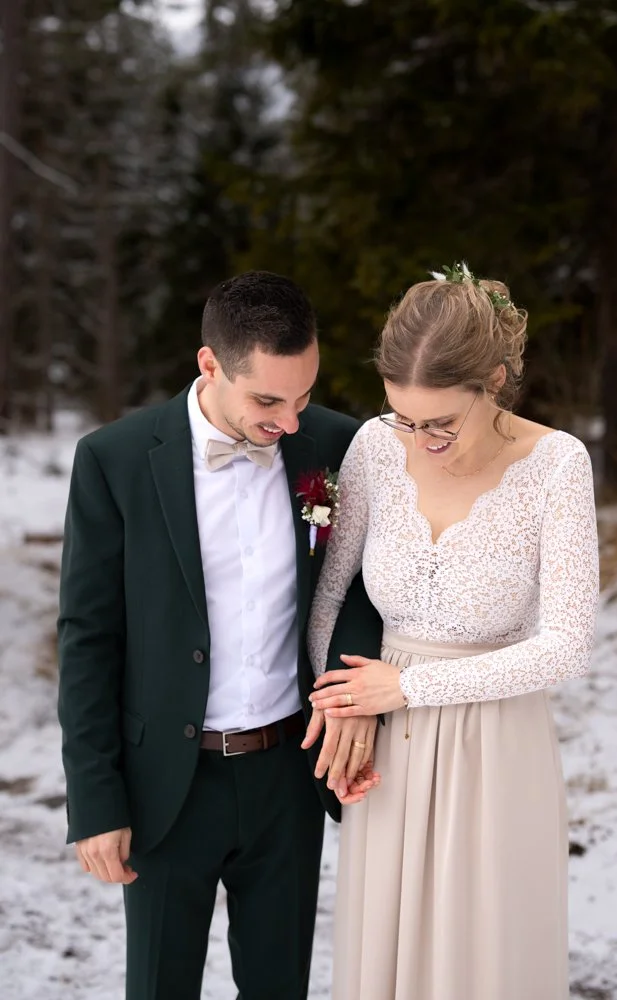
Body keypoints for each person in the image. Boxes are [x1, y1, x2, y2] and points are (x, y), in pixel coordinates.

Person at [57, 270, 382, 1000]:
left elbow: (357, 585)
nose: (289, 422)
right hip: (167, 785)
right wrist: (96, 799)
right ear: (209, 365)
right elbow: (87, 638)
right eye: (267, 400)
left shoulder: (332, 447)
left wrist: (346, 701)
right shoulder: (113, 459)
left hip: (287, 778)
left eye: (302, 396)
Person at [307, 263, 599, 1000]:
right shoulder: (374, 447)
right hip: (385, 751)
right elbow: (328, 593)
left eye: (439, 420)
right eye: (404, 416)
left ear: (495, 380)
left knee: (483, 955)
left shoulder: (557, 465)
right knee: (386, 953)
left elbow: (566, 644)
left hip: (494, 746)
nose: (419, 436)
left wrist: (406, 687)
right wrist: (342, 712)